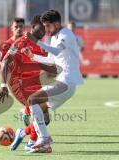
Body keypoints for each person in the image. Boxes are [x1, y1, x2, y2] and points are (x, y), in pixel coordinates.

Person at [19, 9, 84, 153]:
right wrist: (32, 56)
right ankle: (43, 145)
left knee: (32, 99)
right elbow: (51, 60)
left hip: (66, 82)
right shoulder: (54, 37)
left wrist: (36, 41)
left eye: (47, 26)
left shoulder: (66, 34)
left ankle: (44, 137)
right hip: (62, 81)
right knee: (39, 109)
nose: (46, 30)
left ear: (56, 24)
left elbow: (56, 51)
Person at [0, 15, 57, 153]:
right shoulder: (21, 42)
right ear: (33, 26)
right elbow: (5, 61)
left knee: (45, 118)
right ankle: (38, 141)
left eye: (45, 27)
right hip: (19, 82)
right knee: (35, 107)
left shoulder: (42, 45)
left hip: (35, 81)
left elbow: (45, 63)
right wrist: (3, 86)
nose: (44, 30)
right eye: (41, 27)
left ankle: (24, 135)